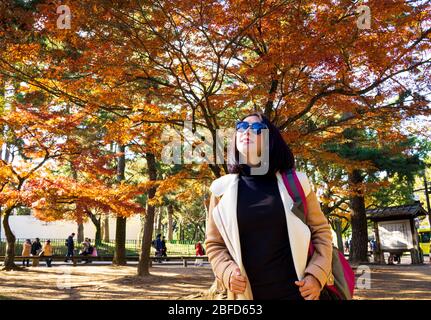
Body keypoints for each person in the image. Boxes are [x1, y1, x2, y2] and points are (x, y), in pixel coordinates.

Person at [205, 112, 333, 300]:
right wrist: (226, 271)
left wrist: (316, 275)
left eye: (256, 128)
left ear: (270, 140)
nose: (247, 131)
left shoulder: (297, 184)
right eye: (241, 127)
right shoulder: (221, 190)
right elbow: (214, 244)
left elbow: (321, 232)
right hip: (245, 297)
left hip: (296, 294)